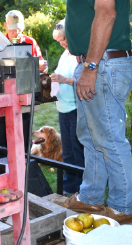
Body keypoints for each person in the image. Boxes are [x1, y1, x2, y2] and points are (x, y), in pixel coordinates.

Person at [46, 0, 132, 224]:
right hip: (96, 63)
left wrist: (91, 66)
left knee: (109, 137)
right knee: (90, 136)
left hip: (104, 64)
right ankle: (91, 198)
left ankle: (123, 207)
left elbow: (106, 12)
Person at [0, 10, 48, 151]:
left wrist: (42, 66)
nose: (16, 33)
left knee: (24, 131)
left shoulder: (30, 42)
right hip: (3, 94)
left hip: (24, 93)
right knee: (1, 134)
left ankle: (25, 162)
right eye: (13, 29)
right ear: (5, 26)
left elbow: (41, 66)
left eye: (19, 29)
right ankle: (2, 163)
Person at [50, 19, 84, 197]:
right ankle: (70, 185)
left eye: (64, 40)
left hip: (75, 108)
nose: (63, 44)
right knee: (68, 150)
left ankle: (81, 186)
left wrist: (63, 80)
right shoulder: (65, 54)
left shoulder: (81, 53)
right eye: (60, 42)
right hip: (62, 107)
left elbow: (83, 81)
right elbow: (60, 74)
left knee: (78, 150)